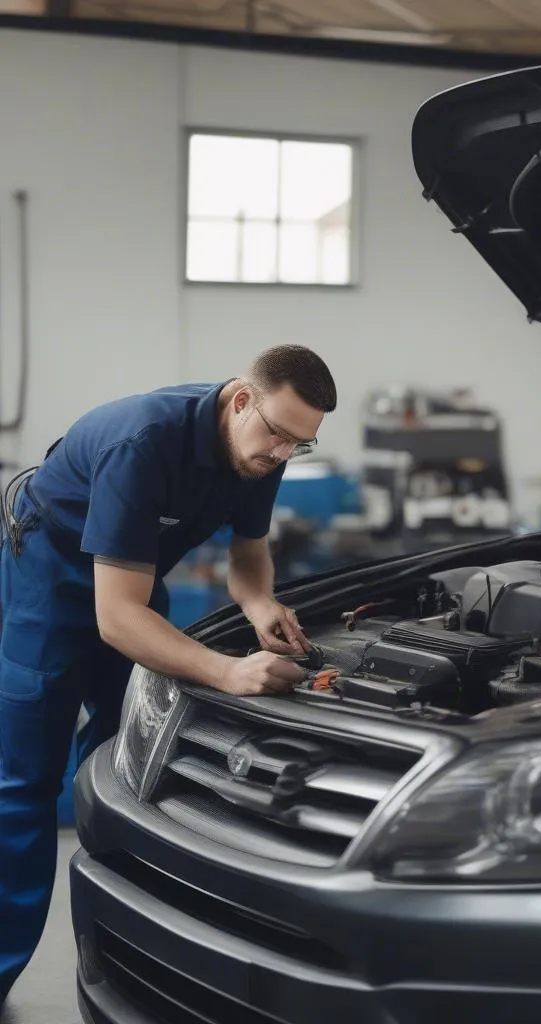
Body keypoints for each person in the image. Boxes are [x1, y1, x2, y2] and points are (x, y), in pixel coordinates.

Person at [0, 343, 337, 1006]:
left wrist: (260, 601)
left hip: (129, 578)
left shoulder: (267, 441)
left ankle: (133, 959)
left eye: (299, 445)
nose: (280, 454)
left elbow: (247, 553)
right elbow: (118, 622)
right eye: (276, 435)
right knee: (22, 783)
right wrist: (230, 672)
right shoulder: (145, 441)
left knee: (136, 769)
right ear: (241, 399)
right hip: (51, 577)